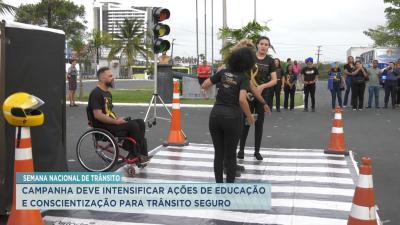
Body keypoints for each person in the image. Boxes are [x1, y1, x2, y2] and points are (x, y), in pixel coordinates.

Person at [201, 47, 255, 183]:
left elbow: (205, 84)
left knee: (218, 154)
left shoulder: (223, 72)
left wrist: (205, 93)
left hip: (215, 116)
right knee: (230, 155)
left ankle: (219, 185)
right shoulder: (244, 78)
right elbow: (242, 99)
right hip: (232, 117)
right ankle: (229, 189)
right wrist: (249, 116)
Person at [88, 67, 150, 162]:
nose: (113, 78)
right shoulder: (96, 93)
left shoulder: (107, 93)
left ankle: (142, 154)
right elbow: (98, 115)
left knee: (140, 122)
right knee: (133, 126)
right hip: (103, 126)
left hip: (111, 123)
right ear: (103, 78)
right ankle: (135, 154)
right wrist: (116, 122)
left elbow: (108, 112)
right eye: (110, 76)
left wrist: (118, 119)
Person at [238, 36, 277, 161]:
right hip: (248, 96)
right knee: (246, 123)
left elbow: (274, 80)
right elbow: (242, 74)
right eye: (262, 44)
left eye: (266, 44)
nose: (264, 46)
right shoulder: (250, 58)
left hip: (262, 97)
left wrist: (262, 86)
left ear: (268, 47)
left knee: (259, 125)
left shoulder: (270, 61)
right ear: (257, 45)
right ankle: (241, 150)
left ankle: (257, 151)